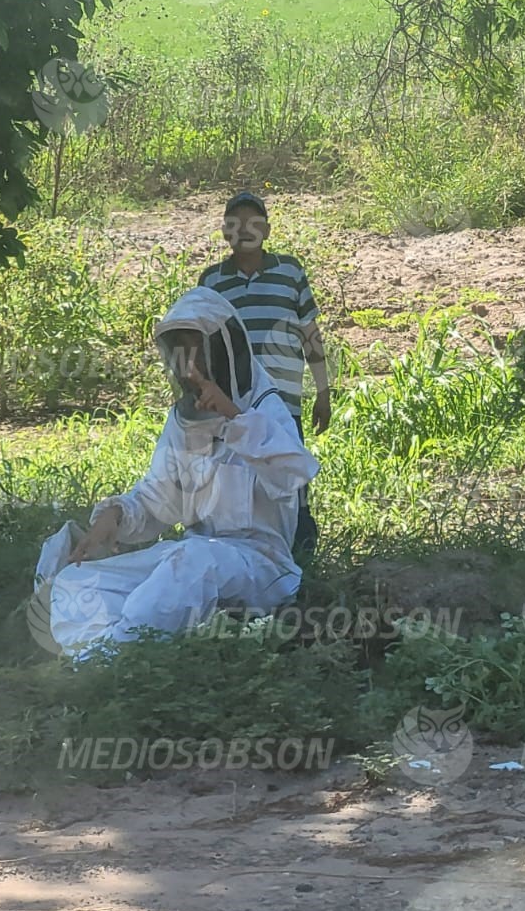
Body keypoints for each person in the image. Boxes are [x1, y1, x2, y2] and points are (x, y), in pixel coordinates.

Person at [33, 287, 318, 653]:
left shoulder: (266, 409)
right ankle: (98, 653)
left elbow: (293, 473)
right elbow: (159, 500)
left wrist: (234, 418)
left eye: (198, 354)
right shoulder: (184, 420)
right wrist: (114, 516)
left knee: (192, 561)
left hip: (261, 568)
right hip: (191, 561)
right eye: (181, 355)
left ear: (225, 351)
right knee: (77, 582)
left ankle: (115, 658)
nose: (189, 369)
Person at [198, 191, 329, 560]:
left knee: (290, 479)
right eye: (235, 223)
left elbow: (310, 335)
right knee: (237, 481)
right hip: (232, 404)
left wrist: (323, 391)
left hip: (284, 402)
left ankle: (300, 557)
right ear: (225, 231)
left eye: (253, 222)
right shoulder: (211, 281)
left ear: (267, 230)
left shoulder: (290, 272)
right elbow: (201, 343)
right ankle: (245, 557)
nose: (244, 230)